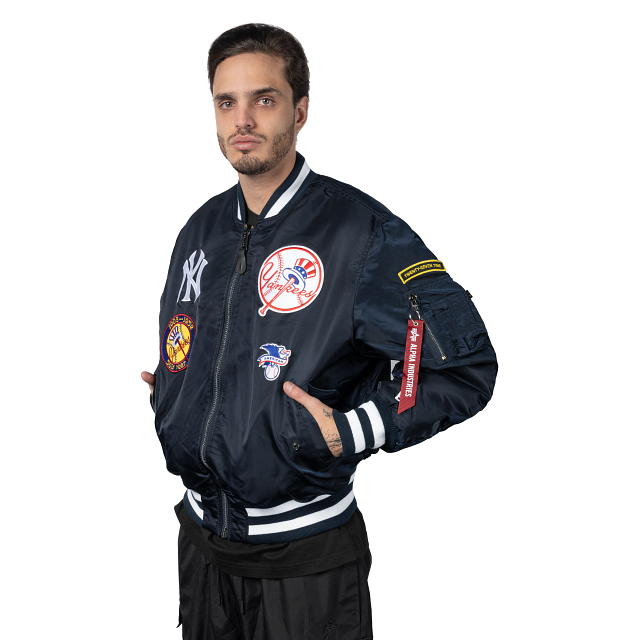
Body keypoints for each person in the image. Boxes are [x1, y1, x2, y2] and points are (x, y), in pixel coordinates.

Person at [141, 23, 498, 640]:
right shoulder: (198, 230)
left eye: (264, 99)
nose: (242, 119)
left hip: (305, 565)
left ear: (300, 111)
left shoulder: (361, 233)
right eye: (226, 102)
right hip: (202, 548)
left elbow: (461, 366)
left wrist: (354, 428)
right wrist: (178, 395)